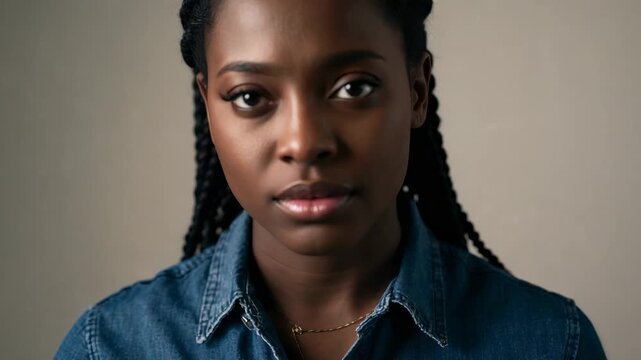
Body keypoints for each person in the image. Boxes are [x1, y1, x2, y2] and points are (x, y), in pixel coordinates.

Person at [56, 0, 607, 359]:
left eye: (353, 87)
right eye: (250, 97)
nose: (304, 142)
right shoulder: (109, 347)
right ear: (208, 105)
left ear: (417, 90)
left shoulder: (551, 343)